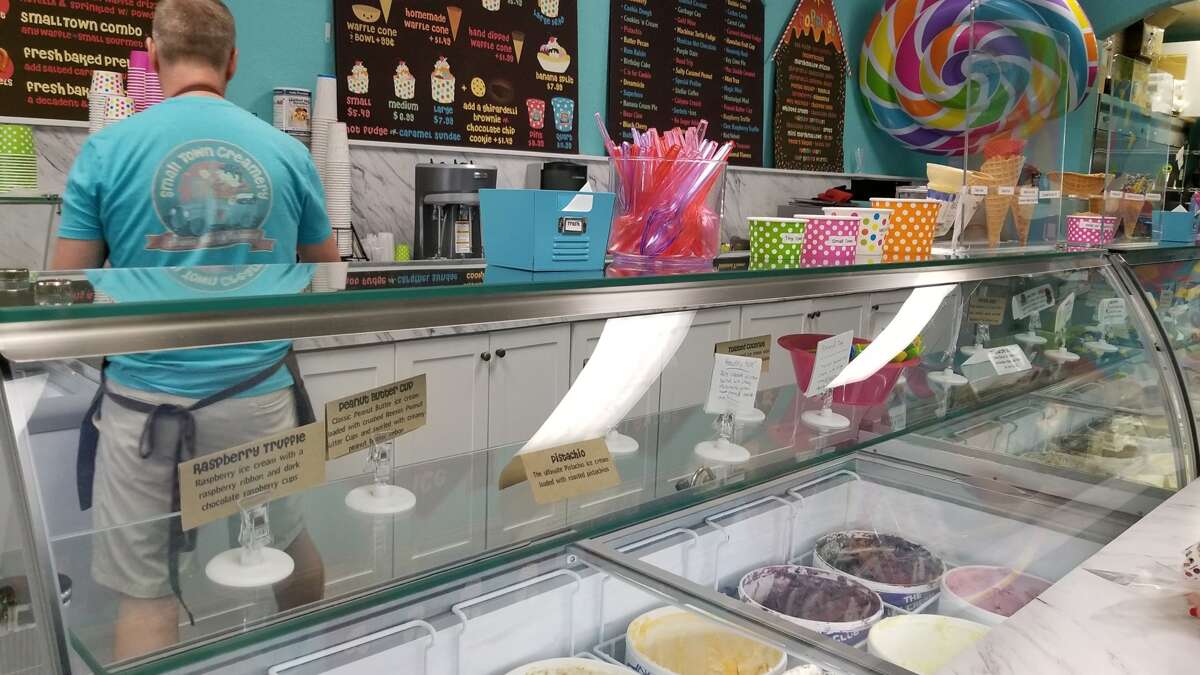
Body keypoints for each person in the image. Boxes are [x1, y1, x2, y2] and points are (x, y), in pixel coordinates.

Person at [52, 0, 338, 660]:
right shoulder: (286, 152)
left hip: (144, 408)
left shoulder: (108, 149)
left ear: (154, 56)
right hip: (259, 401)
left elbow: (66, 290)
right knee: (290, 555)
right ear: (232, 61)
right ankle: (310, 660)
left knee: (146, 596)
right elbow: (328, 275)